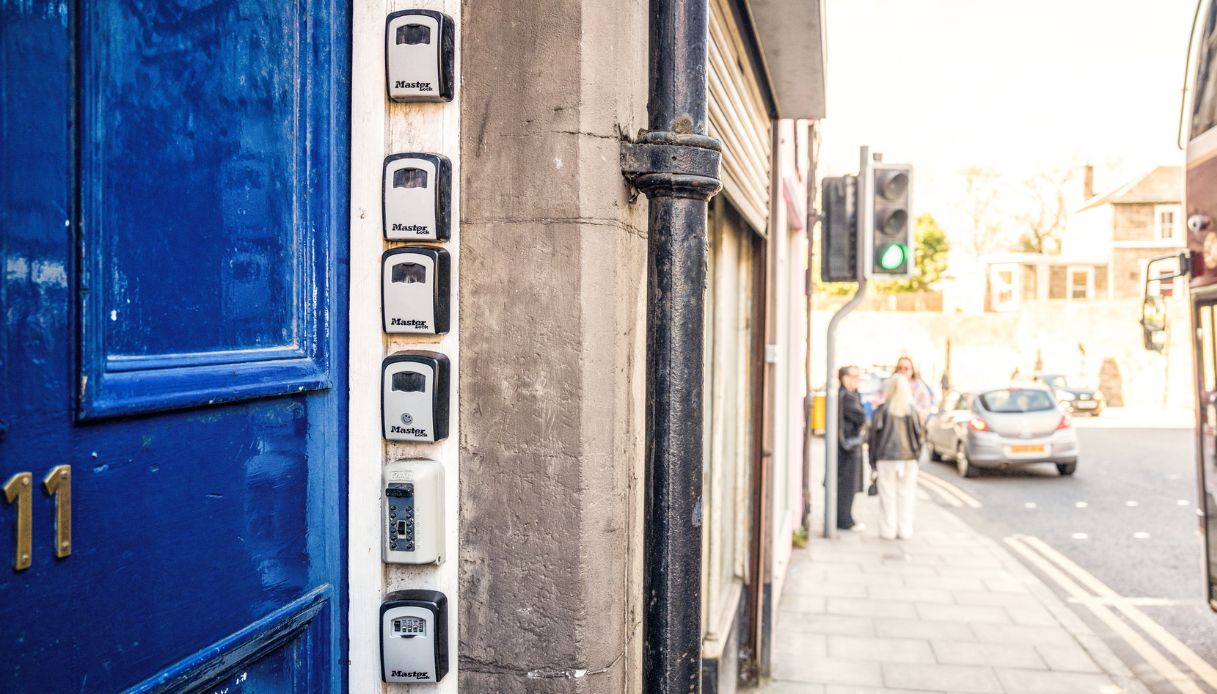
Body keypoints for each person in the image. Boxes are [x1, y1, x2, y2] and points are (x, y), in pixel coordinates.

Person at [868, 375, 926, 540]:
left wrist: (872, 461)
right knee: (906, 494)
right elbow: (918, 437)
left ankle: (888, 529)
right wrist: (915, 456)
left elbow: (873, 438)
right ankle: (905, 529)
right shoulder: (912, 411)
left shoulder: (882, 410)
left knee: (887, 494)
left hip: (886, 458)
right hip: (908, 459)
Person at [837, 365, 867, 531]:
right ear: (845, 378)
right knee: (847, 486)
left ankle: (844, 518)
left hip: (847, 445)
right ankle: (845, 520)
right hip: (848, 446)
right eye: (854, 376)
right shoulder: (848, 396)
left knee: (847, 485)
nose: (857, 380)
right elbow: (861, 416)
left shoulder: (847, 394)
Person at [895, 356, 935, 425]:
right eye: (900, 368)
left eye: (906, 368)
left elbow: (926, 411)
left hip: (912, 429)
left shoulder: (920, 388)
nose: (902, 371)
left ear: (912, 370)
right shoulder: (890, 385)